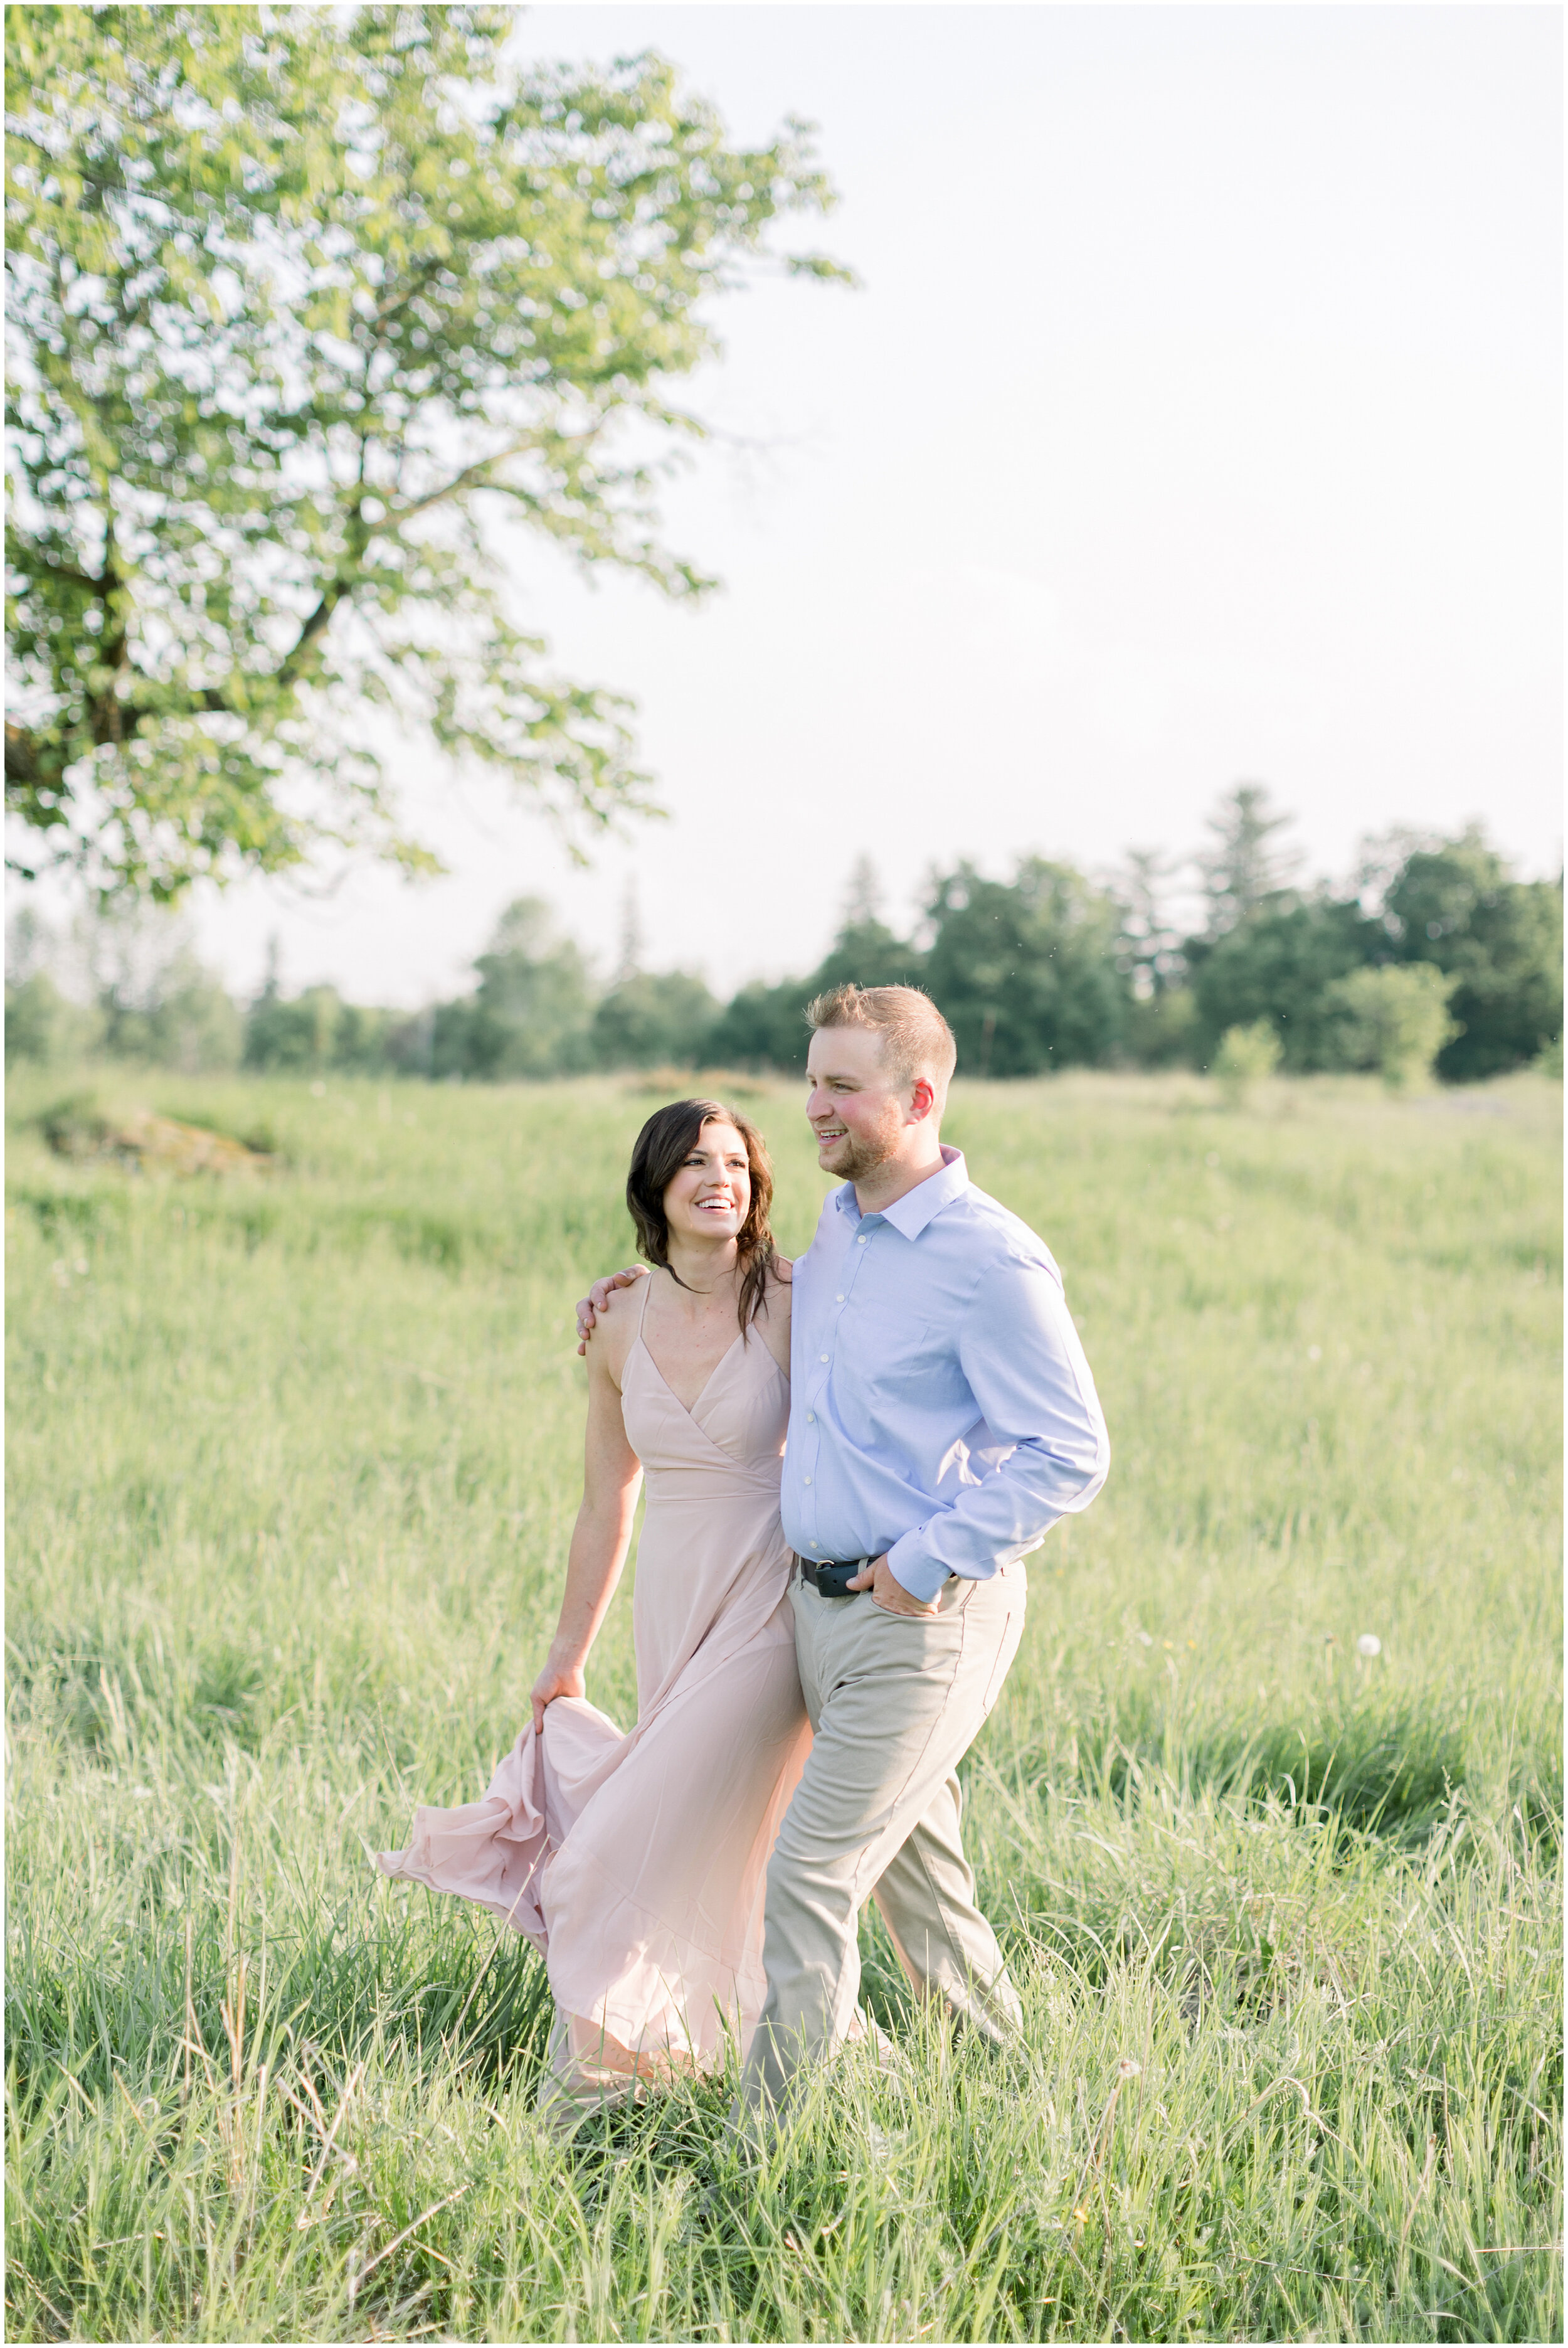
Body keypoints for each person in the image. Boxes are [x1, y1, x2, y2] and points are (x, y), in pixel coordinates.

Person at [576, 984, 1110, 2124]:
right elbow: (749, 1315)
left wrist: (927, 1560)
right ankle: (1014, 2107)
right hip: (811, 1613)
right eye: (811, 1079)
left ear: (918, 1097)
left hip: (922, 1617)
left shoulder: (991, 1260)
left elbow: (1071, 1451)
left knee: (807, 1874)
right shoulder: (844, 1230)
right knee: (924, 1888)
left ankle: (774, 2151)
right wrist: (642, 1284)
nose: (811, 1107)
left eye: (840, 1087)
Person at [379, 1099, 811, 2127]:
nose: (722, 1179)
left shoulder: (798, 1296)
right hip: (672, 1592)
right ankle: (726, 2050)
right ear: (654, 1185)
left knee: (613, 1848)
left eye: (738, 1163)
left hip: (771, 1597)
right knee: (707, 1845)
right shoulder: (617, 1318)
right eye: (697, 1163)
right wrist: (564, 1658)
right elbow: (604, 1502)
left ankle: (593, 2084)